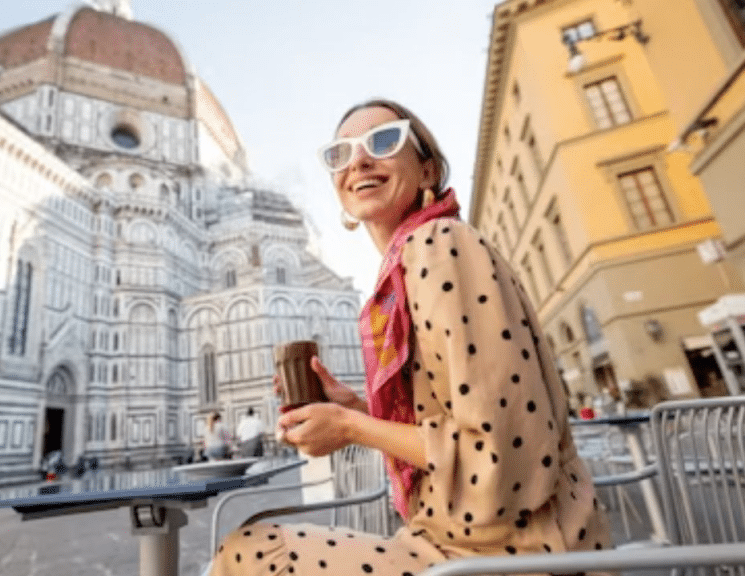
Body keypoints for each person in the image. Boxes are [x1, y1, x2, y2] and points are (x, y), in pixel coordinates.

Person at [210, 100, 611, 574]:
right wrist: (359, 411)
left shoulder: (438, 246)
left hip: (511, 554)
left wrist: (353, 428)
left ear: (427, 170)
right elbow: (464, 419)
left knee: (253, 553)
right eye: (340, 153)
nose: (358, 160)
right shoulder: (409, 266)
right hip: (463, 545)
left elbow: (503, 454)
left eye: (384, 142)